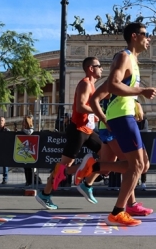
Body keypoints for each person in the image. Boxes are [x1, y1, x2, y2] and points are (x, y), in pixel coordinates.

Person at [76, 23, 156, 226]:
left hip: (123, 116)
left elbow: (98, 95)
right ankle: (118, 211)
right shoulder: (124, 57)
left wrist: (136, 102)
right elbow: (113, 84)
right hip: (121, 118)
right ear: (134, 36)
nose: (149, 39)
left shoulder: (133, 61)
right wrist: (141, 92)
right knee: (137, 165)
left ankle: (94, 166)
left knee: (139, 165)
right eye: (145, 35)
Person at [35, 57, 104, 210]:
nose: (102, 69)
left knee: (107, 154)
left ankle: (87, 184)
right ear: (91, 68)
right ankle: (45, 194)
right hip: (78, 130)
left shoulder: (92, 85)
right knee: (62, 167)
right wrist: (96, 111)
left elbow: (85, 107)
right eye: (99, 66)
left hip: (88, 130)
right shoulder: (85, 83)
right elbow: (80, 107)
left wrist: (94, 115)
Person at [22, 115, 42, 186]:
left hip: (31, 151)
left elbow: (29, 133)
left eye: (24, 122)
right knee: (25, 167)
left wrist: (23, 130)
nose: (23, 123)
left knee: (30, 168)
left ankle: (31, 181)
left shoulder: (31, 130)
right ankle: (28, 181)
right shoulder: (23, 130)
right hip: (25, 150)